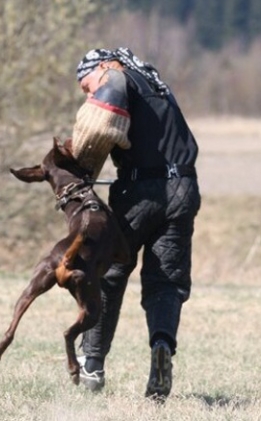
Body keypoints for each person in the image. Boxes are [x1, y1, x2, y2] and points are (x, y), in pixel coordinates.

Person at [70, 47, 201, 400]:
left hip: (142, 191)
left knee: (107, 274)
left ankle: (92, 365)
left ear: (102, 68)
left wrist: (79, 169)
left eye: (86, 85)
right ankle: (161, 347)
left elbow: (99, 122)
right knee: (165, 282)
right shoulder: (152, 81)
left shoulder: (115, 78)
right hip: (185, 187)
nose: (88, 93)